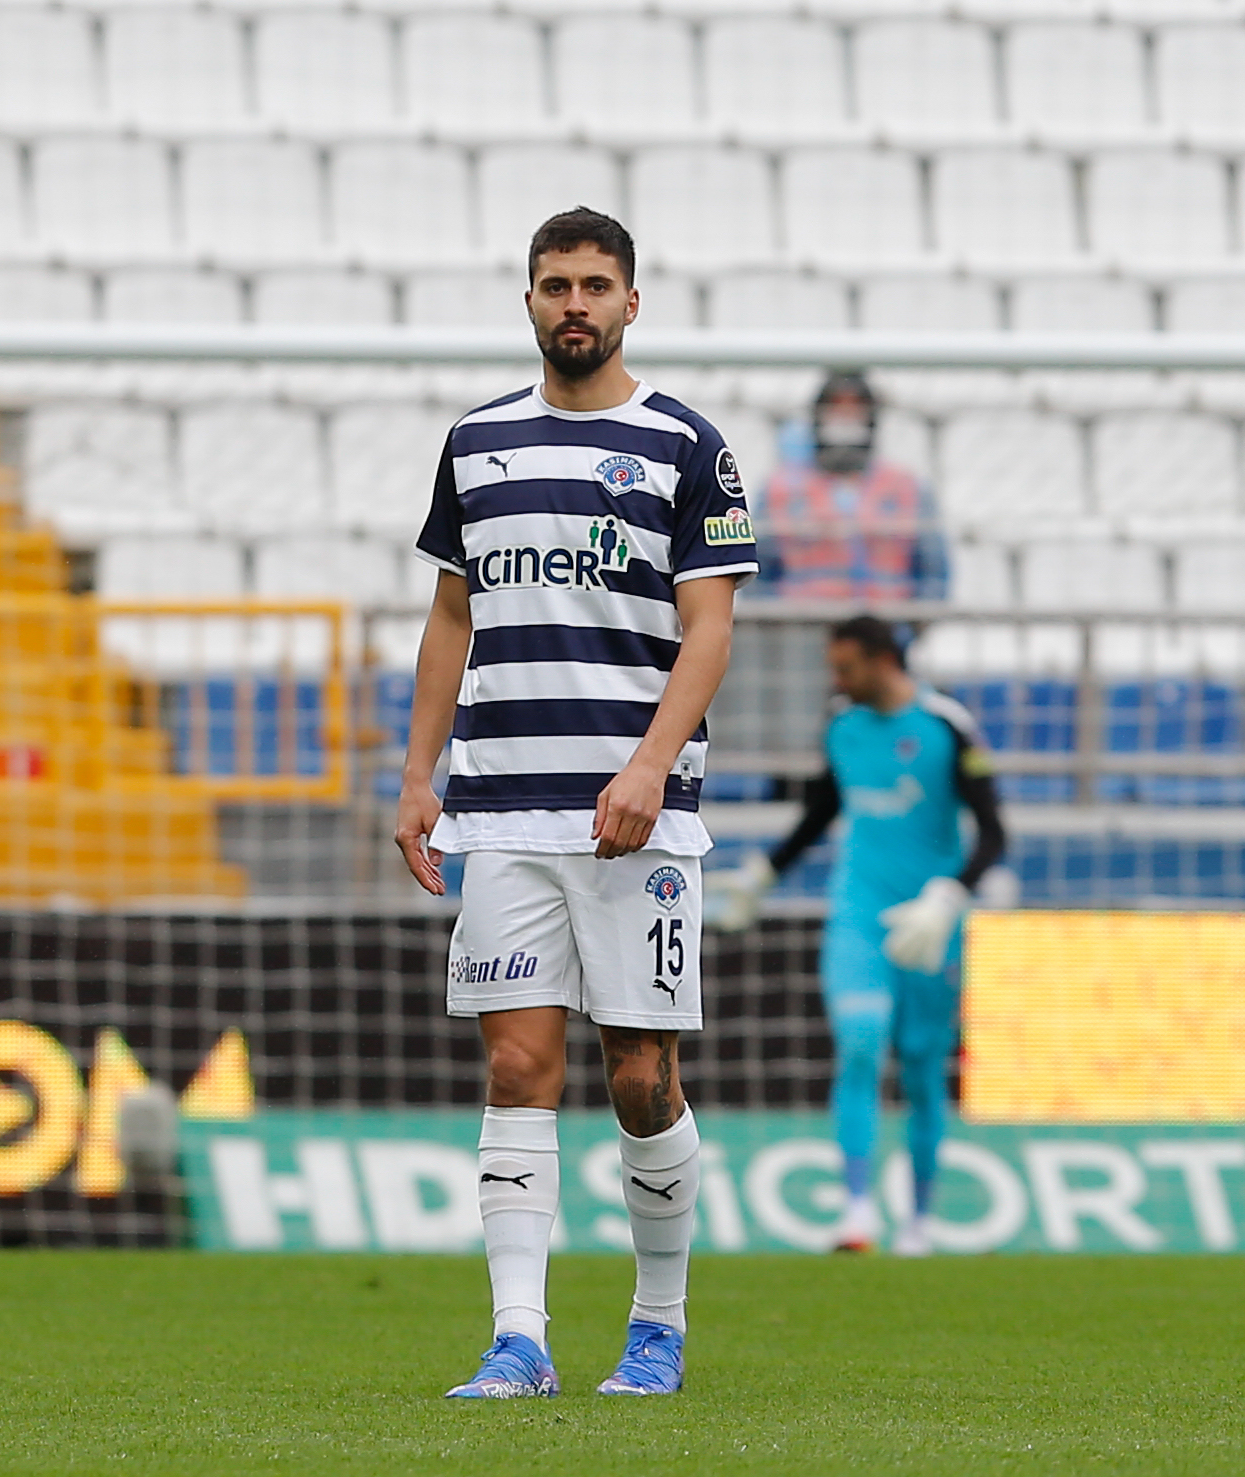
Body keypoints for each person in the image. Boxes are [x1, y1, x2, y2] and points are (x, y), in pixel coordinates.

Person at [395, 207, 756, 1399]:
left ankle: (659, 1324)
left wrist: (650, 764)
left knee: (640, 1077)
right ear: (531, 301)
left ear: (631, 302)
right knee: (517, 1066)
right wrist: (418, 775)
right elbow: (452, 616)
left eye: (596, 285)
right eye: (556, 285)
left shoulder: (688, 447)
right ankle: (520, 1339)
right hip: (503, 809)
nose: (575, 304)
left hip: (636, 818)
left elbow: (711, 628)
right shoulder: (477, 443)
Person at [708, 616, 1007, 1255]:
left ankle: (919, 1224)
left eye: (845, 668)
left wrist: (949, 895)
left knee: (922, 1067)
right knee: (862, 1041)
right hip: (858, 915)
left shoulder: (947, 725)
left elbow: (995, 832)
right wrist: (763, 875)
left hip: (928, 925)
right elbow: (821, 812)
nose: (836, 680)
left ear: (881, 661)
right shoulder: (842, 727)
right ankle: (857, 1211)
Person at [758, 371, 949, 601]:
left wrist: (913, 620)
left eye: (856, 406)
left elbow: (933, 572)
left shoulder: (907, 488)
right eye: (835, 406)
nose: (845, 416)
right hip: (803, 620)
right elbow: (758, 573)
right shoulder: (780, 489)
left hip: (886, 620)